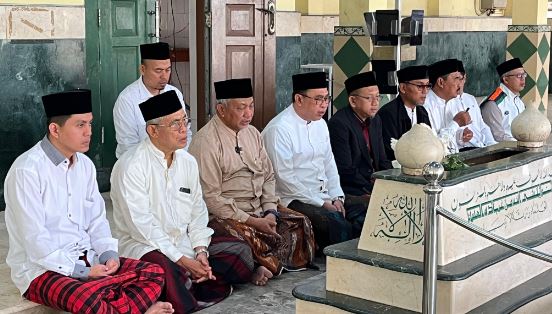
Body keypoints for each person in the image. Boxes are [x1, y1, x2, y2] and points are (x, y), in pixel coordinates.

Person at [4, 89, 173, 314]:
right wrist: (82, 272)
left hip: (88, 259)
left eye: (90, 124)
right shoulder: (27, 171)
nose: (89, 132)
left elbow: (97, 221)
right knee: (84, 297)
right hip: (42, 270)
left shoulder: (85, 165)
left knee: (154, 272)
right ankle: (136, 309)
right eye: (80, 125)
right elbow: (35, 241)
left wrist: (108, 255)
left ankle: (114, 304)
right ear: (55, 129)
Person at [111, 90, 256, 313]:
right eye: (175, 124)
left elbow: (198, 213)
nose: (184, 130)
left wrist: (200, 253)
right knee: (164, 271)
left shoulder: (187, 162)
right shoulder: (131, 166)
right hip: (146, 246)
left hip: (185, 244)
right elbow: (142, 227)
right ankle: (186, 283)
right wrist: (182, 260)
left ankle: (191, 279)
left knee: (241, 253)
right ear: (152, 131)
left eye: (185, 121)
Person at [188, 78, 315, 279]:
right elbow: (211, 198)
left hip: (260, 210)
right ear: (221, 109)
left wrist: (270, 212)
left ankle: (268, 265)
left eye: (251, 106)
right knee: (242, 243)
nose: (249, 113)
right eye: (241, 108)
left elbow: (268, 177)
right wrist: (253, 221)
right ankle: (259, 267)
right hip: (230, 215)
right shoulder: (206, 142)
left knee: (300, 223)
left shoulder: (253, 134)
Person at [262, 72, 365, 251]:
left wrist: (337, 197)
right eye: (318, 99)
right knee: (336, 224)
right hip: (294, 198)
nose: (324, 105)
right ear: (299, 99)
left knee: (366, 213)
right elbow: (286, 181)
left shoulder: (321, 124)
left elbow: (329, 164)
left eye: (326, 98)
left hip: (325, 196)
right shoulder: (279, 129)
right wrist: (322, 203)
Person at [113, 41, 192, 158]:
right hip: (139, 166)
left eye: (168, 70)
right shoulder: (127, 99)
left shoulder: (174, 93)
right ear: (143, 69)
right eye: (158, 71)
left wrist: (177, 162)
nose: (164, 76)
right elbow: (128, 146)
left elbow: (186, 133)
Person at [328, 71, 392, 209]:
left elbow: (382, 160)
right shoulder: (339, 124)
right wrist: (372, 186)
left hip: (374, 185)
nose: (375, 103)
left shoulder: (376, 120)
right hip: (352, 189)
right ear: (353, 101)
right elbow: (345, 170)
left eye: (377, 97)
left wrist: (390, 180)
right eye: (369, 98)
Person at [376, 65, 432, 161]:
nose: (425, 91)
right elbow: (390, 151)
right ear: (403, 88)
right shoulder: (388, 113)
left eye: (427, 86)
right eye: (420, 86)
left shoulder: (422, 112)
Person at [424, 59, 473, 153]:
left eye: (461, 79)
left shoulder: (452, 101)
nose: (460, 84)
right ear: (441, 82)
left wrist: (461, 135)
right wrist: (456, 123)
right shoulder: (425, 107)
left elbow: (450, 138)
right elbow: (434, 147)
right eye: (457, 79)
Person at [450, 61, 497, 150]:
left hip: (480, 147)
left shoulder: (470, 98)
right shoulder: (448, 101)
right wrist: (461, 135)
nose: (459, 84)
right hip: (464, 149)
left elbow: (482, 126)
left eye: (461, 79)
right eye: (455, 79)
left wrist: (492, 145)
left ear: (465, 78)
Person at [480, 57, 526, 142]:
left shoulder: (518, 101)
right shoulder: (493, 103)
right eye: (519, 76)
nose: (523, 78)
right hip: (502, 150)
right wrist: (521, 144)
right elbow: (497, 137)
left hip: (519, 146)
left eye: (524, 75)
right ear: (506, 79)